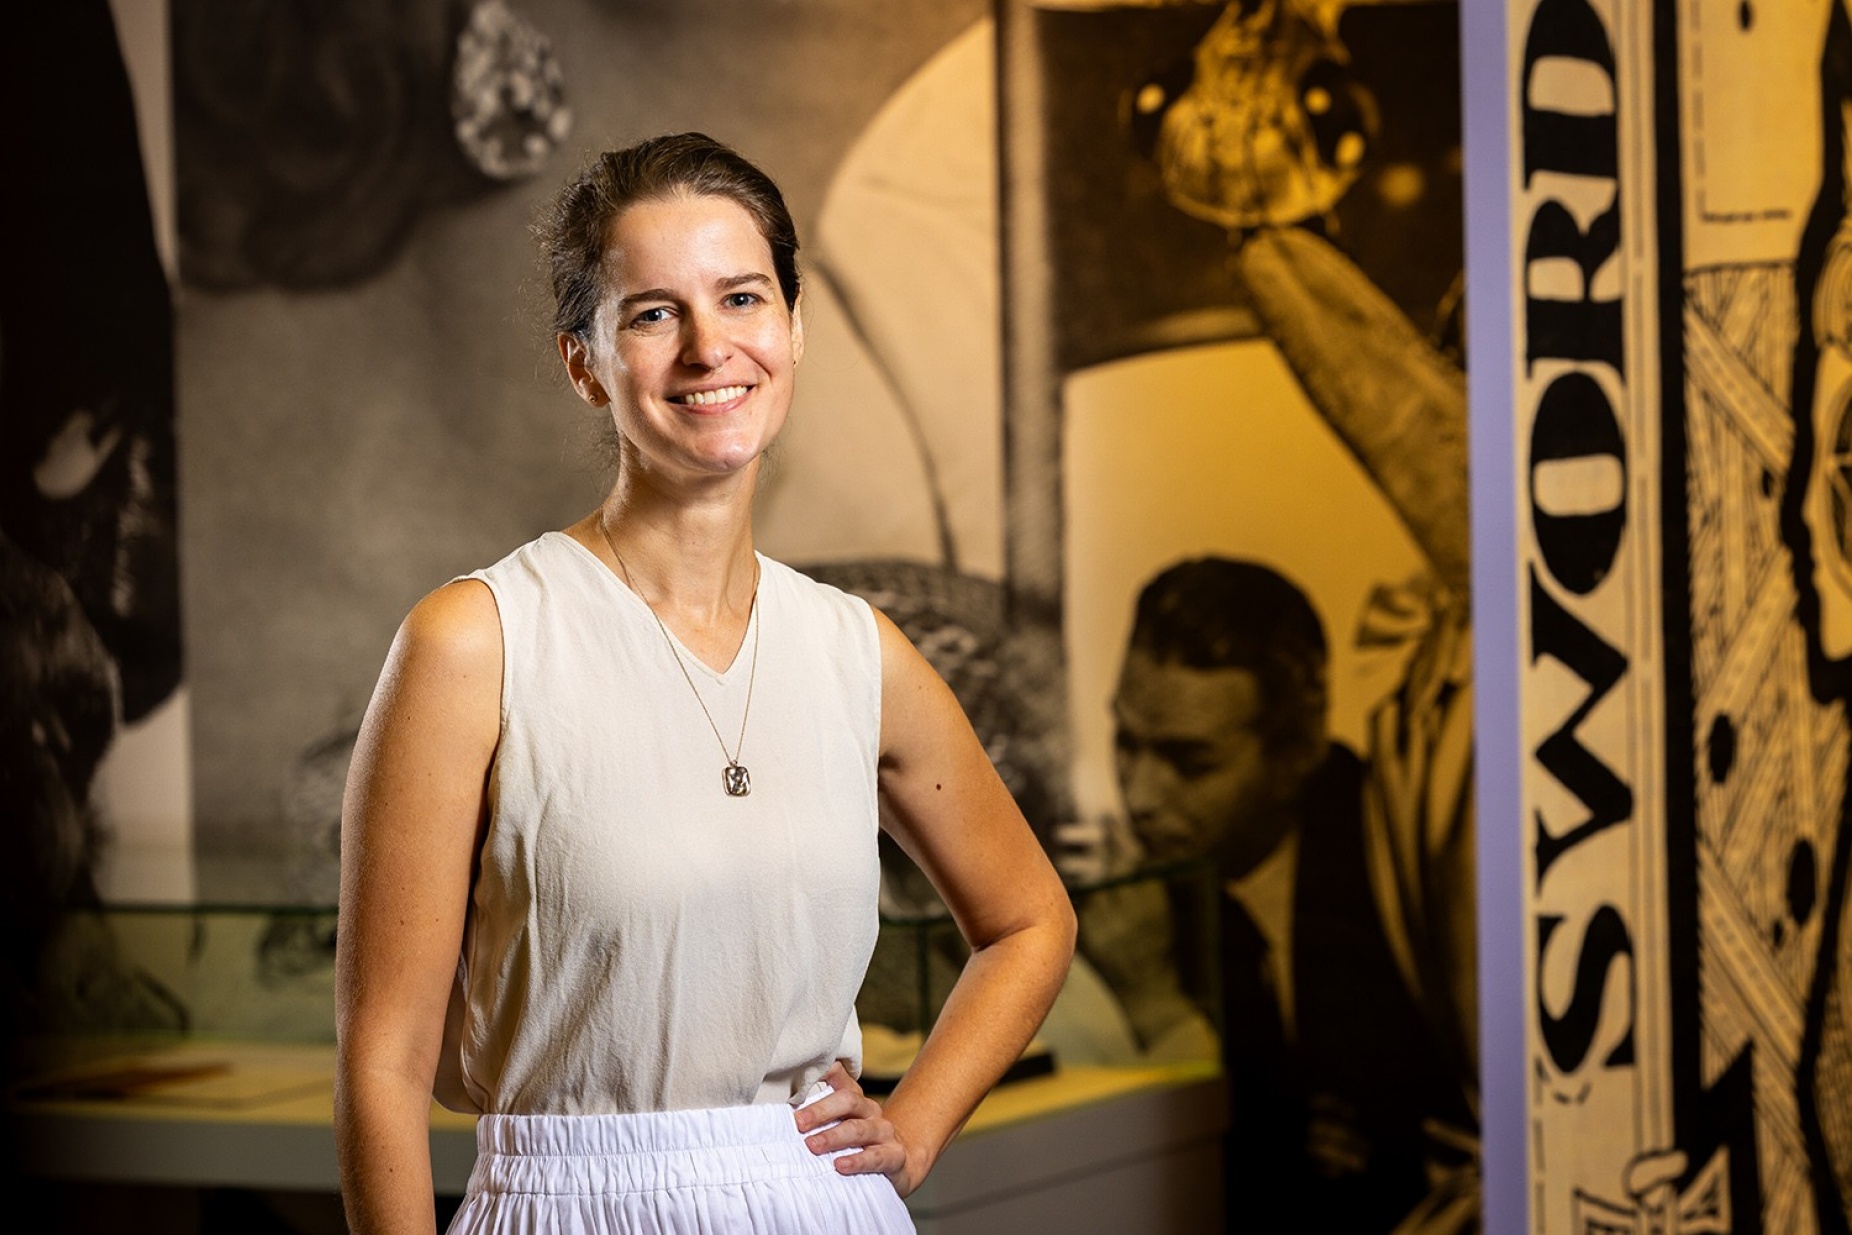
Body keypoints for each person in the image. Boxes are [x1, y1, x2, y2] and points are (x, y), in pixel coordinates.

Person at [333, 132, 1076, 1235]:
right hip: (569, 1198)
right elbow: (383, 1061)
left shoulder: (856, 649)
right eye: (651, 312)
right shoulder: (476, 641)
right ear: (583, 360)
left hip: (817, 1199)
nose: (709, 346)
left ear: (792, 327)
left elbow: (1030, 920)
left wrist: (912, 1123)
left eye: (742, 297)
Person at [1083, 556, 1475, 1234]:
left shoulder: (1404, 860)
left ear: (1296, 751)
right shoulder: (1133, 903)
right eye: (1126, 742)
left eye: (1190, 762)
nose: (1140, 795)